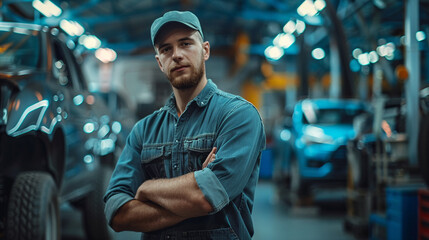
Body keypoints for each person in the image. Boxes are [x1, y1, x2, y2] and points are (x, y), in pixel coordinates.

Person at [103, 10, 266, 240]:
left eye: (186, 43)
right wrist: (196, 188)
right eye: (166, 49)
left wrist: (146, 189)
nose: (176, 55)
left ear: (205, 50)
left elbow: (205, 197)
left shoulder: (238, 116)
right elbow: (117, 213)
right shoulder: (143, 131)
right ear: (160, 62)